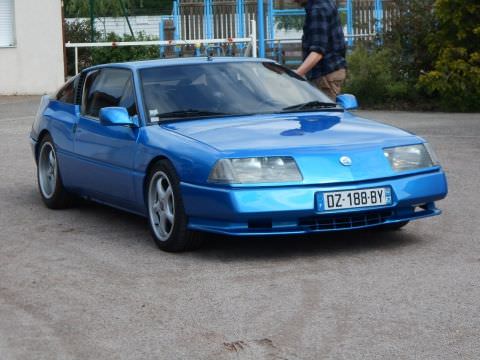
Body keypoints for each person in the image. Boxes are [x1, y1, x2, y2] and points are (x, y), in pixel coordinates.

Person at [294, 0, 347, 101]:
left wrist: (296, 74)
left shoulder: (318, 9)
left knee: (324, 113)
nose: (294, 1)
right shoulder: (326, 3)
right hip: (332, 69)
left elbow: (317, 52)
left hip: (324, 74)